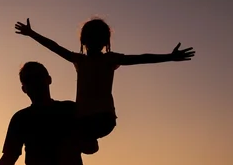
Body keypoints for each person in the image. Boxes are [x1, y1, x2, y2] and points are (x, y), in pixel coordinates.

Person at [14, 18, 195, 154]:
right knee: (64, 129)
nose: (92, 42)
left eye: (96, 38)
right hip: (90, 119)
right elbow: (54, 47)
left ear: (102, 42)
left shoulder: (106, 59)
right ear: (85, 41)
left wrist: (169, 57)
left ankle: (88, 143)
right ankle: (88, 143)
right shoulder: (85, 60)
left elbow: (141, 58)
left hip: (100, 119)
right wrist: (32, 34)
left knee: (66, 133)